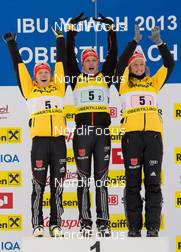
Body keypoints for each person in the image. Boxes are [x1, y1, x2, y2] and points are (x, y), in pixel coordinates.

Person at [3, 28, 67, 237]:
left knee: (57, 186)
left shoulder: (59, 88)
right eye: (40, 72)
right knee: (39, 185)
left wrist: (60, 39)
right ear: (34, 76)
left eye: (46, 71)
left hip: (58, 142)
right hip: (39, 143)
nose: (44, 74)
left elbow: (60, 64)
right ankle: (37, 224)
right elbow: (19, 68)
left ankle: (55, 224)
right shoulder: (29, 90)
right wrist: (12, 45)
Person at [114, 25, 174, 237]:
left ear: (145, 66)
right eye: (135, 64)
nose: (138, 67)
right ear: (130, 68)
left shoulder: (153, 83)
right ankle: (133, 228)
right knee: (132, 184)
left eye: (141, 64)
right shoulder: (123, 85)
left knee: (153, 184)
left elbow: (169, 64)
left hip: (153, 138)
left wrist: (160, 43)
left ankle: (153, 228)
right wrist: (134, 43)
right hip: (132, 138)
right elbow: (119, 65)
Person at [66, 13, 117, 237]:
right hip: (83, 134)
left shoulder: (106, 77)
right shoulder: (75, 78)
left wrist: (110, 29)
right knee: (83, 180)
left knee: (102, 180)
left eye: (94, 60)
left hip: (102, 134)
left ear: (98, 62)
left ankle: (103, 223)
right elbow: (68, 55)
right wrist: (71, 30)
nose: (91, 63)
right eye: (87, 60)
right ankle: (85, 223)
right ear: (82, 63)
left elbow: (114, 55)